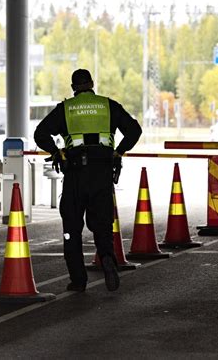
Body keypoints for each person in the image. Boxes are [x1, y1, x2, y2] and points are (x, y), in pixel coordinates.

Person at [34, 69, 142, 292]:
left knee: (72, 228)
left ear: (73, 87)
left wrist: (56, 152)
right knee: (102, 224)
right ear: (92, 84)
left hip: (75, 175)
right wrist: (119, 152)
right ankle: (107, 258)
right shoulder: (108, 106)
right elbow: (134, 130)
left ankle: (78, 280)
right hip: (102, 174)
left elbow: (40, 134)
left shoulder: (66, 109)